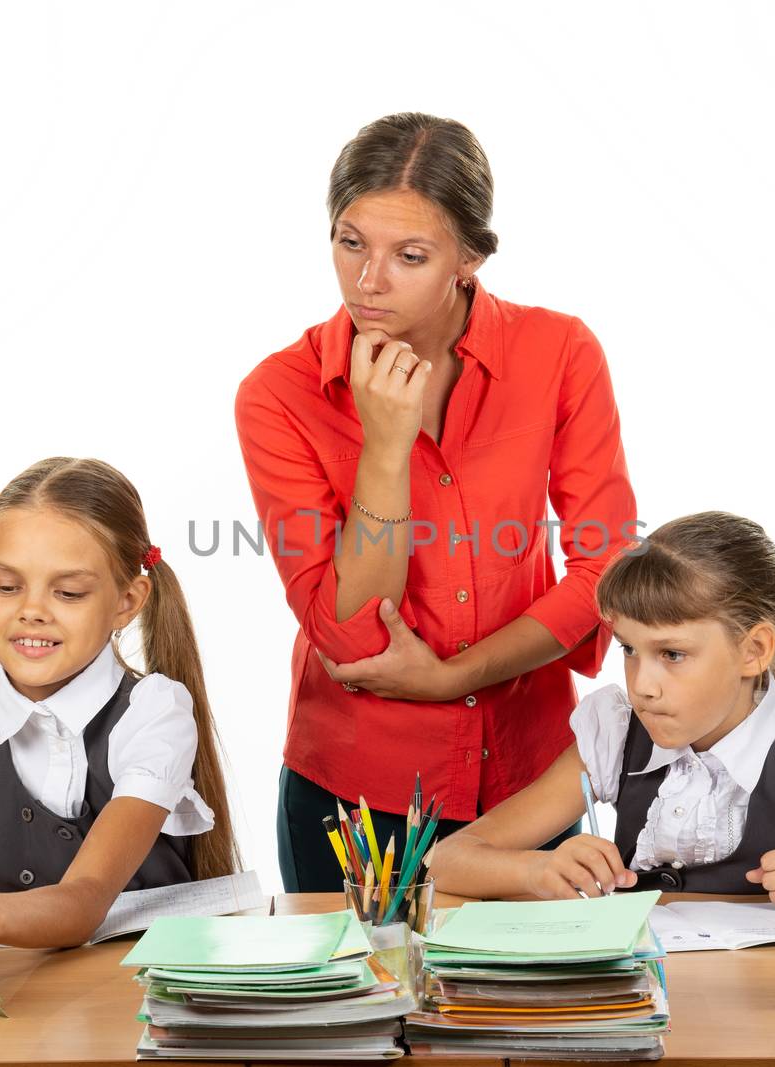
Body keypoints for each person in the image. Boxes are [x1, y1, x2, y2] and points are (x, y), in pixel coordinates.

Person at [235, 112, 639, 891]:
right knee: (357, 1008)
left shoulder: (558, 354)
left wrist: (456, 676)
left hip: (527, 783)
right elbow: (352, 636)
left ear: (470, 258)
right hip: (356, 790)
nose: (368, 280)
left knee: (527, 1008)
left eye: (409, 256)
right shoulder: (278, 395)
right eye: (350, 242)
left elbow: (608, 570)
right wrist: (384, 450)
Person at [427, 512, 775, 914]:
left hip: (769, 1026)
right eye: (630, 649)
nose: (642, 685)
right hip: (636, 1010)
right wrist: (536, 871)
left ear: (754, 650)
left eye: (672, 655)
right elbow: (446, 861)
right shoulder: (615, 741)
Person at [0, 457, 238, 946]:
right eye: (7, 587)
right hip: (13, 998)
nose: (32, 611)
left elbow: (86, 898)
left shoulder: (151, 714)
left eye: (68, 592)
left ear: (127, 601)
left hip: (138, 991)